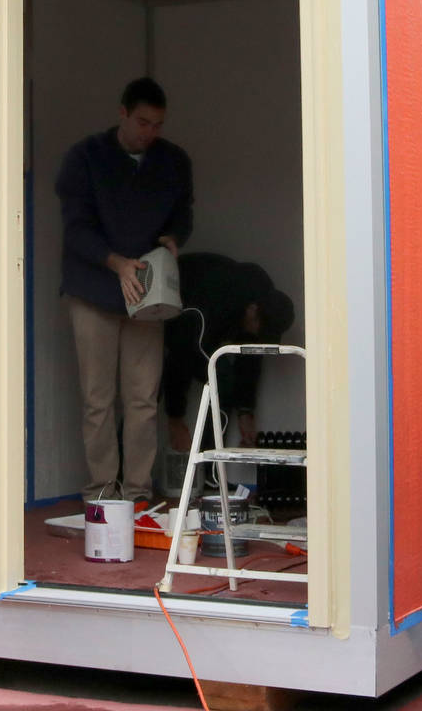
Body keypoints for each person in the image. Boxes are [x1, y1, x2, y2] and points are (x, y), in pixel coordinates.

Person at [55, 76, 193, 502]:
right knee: (98, 399)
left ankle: (136, 494)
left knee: (142, 399)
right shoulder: (85, 157)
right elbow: (75, 228)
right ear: (122, 114)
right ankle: (100, 494)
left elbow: (184, 213)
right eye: (142, 122)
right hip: (94, 288)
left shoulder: (173, 160)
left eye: (157, 125)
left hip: (148, 295)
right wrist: (115, 264)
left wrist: (175, 238)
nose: (149, 133)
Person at [161, 253, 295, 451]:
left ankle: (212, 472)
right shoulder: (217, 299)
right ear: (252, 310)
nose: (259, 333)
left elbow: (250, 356)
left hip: (196, 325)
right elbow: (182, 354)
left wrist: (246, 412)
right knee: (145, 392)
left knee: (225, 379)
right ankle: (208, 466)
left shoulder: (261, 297)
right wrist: (175, 419)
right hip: (168, 306)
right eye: (260, 329)